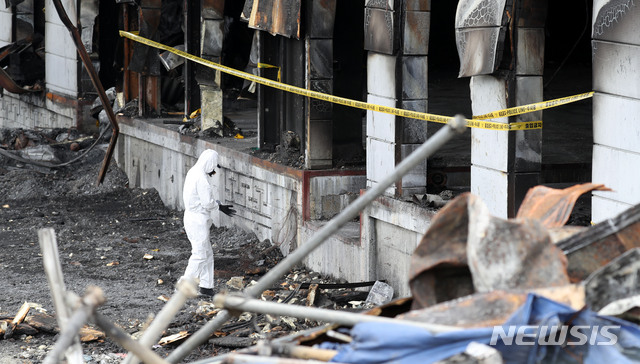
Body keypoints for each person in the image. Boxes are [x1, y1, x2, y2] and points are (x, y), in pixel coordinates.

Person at [180, 149, 236, 297]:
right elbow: (207, 203)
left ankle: (206, 286)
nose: (214, 169)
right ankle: (184, 285)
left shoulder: (194, 171)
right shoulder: (202, 178)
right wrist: (219, 206)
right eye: (214, 166)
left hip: (192, 216)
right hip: (198, 219)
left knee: (207, 253)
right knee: (200, 254)